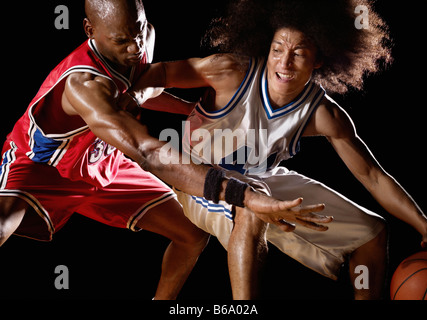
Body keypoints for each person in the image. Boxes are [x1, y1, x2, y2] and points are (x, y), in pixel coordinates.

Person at [0, 0, 331, 300]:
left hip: (103, 160)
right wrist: (242, 194)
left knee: (190, 235)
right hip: (42, 167)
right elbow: (148, 152)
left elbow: (136, 86)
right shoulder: (83, 86)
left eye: (140, 31)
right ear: (90, 31)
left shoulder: (139, 40)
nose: (136, 47)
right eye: (122, 40)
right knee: (4, 222)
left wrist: (190, 110)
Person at [124, 0, 427, 299]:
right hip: (199, 180)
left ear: (318, 59)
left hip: (262, 178)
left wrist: (423, 226)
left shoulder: (322, 113)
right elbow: (158, 75)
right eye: (278, 49)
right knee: (252, 205)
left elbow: (373, 176)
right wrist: (136, 99)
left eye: (299, 53)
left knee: (372, 233)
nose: (284, 63)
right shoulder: (230, 71)